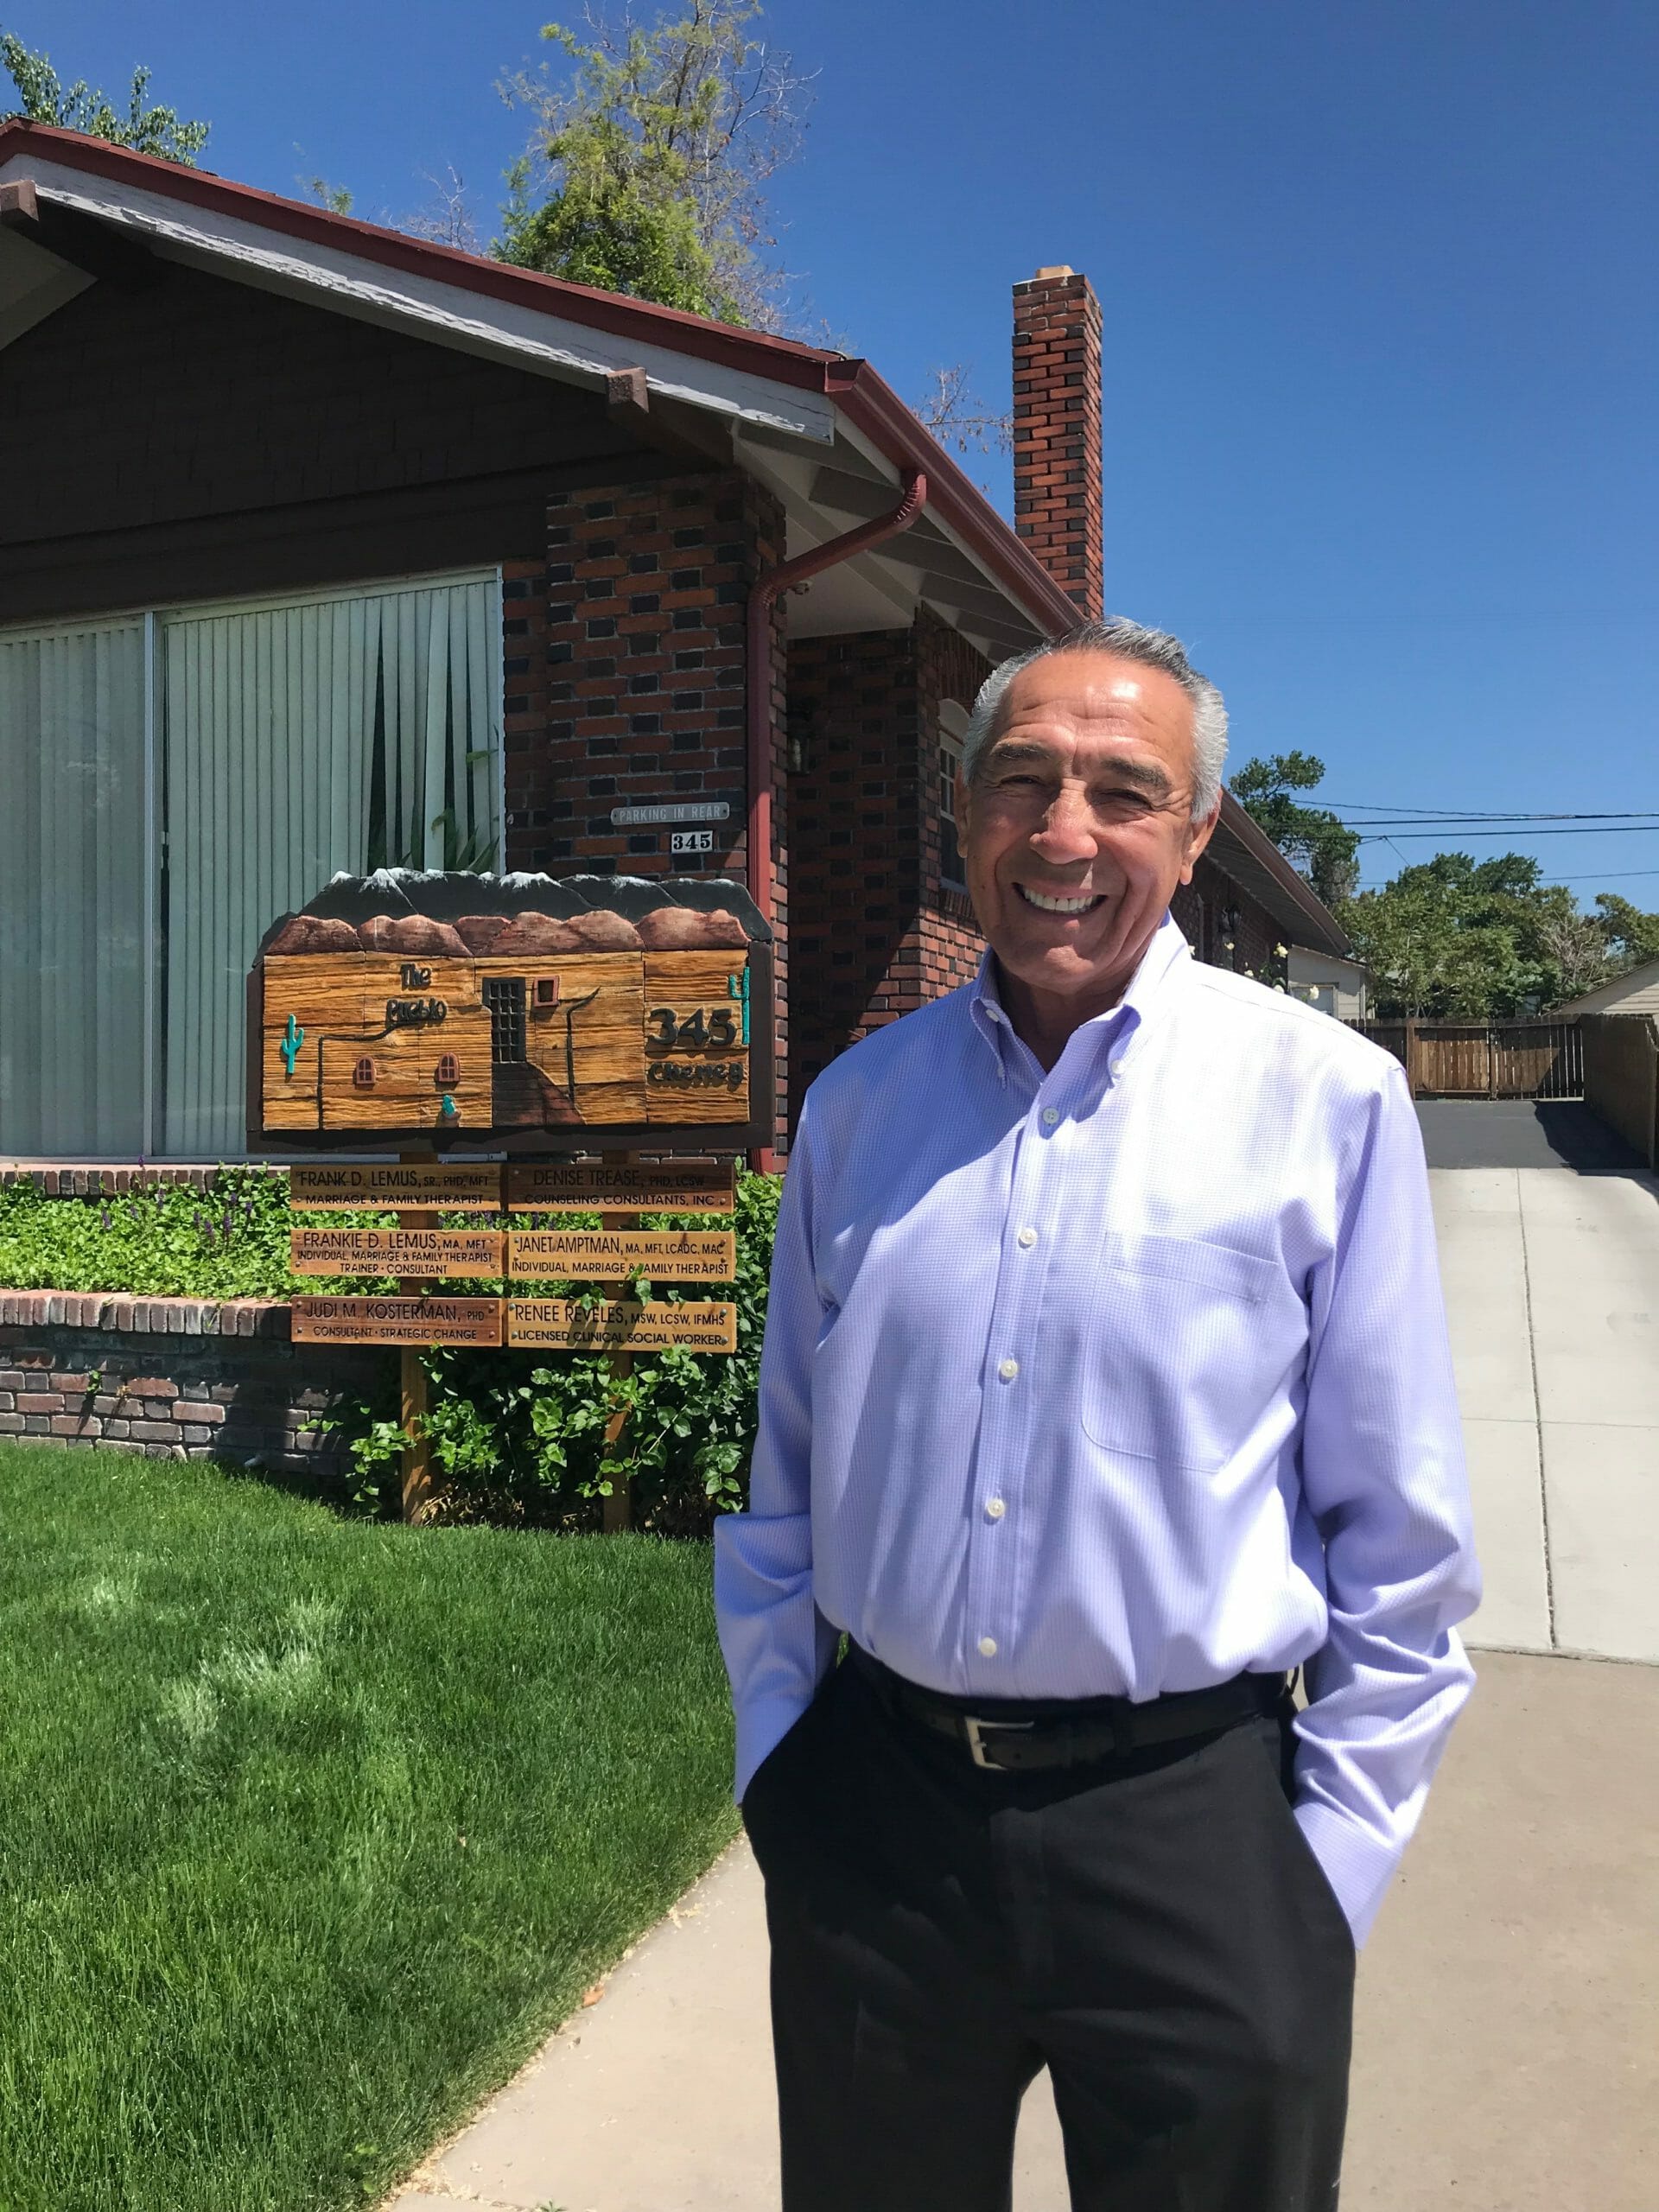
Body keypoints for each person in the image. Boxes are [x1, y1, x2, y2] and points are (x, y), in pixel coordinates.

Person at [715, 615, 1479, 2212]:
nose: (1068, 832)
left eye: (1125, 791)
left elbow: (1399, 1541)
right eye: (1024, 780)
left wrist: (1319, 1881)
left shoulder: (1324, 1102)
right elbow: (781, 1476)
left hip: (1194, 1833)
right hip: (879, 1827)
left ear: (1195, 838)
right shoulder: (857, 1113)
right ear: (967, 816)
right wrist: (783, 1771)